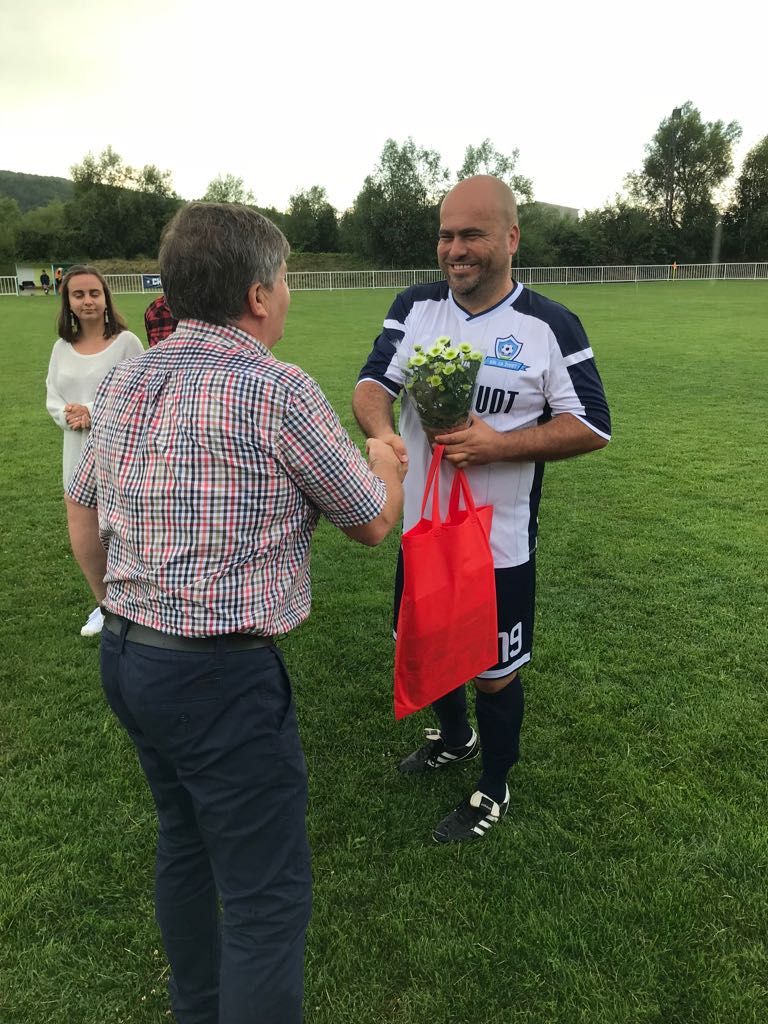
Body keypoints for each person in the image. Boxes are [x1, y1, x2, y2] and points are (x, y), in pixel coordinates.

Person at [64, 202, 405, 1023]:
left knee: (184, 841)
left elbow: (81, 507)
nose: (287, 296)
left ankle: (197, 1010)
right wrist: (386, 461)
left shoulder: (128, 378)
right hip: (218, 677)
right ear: (258, 295)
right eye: (284, 281)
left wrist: (114, 601)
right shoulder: (276, 387)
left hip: (128, 654)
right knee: (264, 894)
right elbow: (370, 521)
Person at [353, 175, 611, 844]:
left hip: (498, 544)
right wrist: (380, 432)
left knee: (495, 674)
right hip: (423, 531)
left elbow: (592, 424)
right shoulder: (415, 307)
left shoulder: (548, 324)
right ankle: (454, 739)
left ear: (511, 238)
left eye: (472, 234)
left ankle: (493, 786)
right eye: (446, 235)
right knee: (429, 646)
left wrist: (501, 446)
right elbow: (373, 384)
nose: (455, 249)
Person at [45, 265, 144, 637]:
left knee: (120, 526)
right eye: (78, 294)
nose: (87, 301)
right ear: (68, 302)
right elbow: (53, 396)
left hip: (118, 448)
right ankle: (104, 604)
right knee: (84, 522)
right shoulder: (61, 348)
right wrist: (68, 415)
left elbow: (140, 393)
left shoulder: (127, 343)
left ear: (105, 298)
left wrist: (92, 411)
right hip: (76, 447)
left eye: (94, 293)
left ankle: (133, 600)